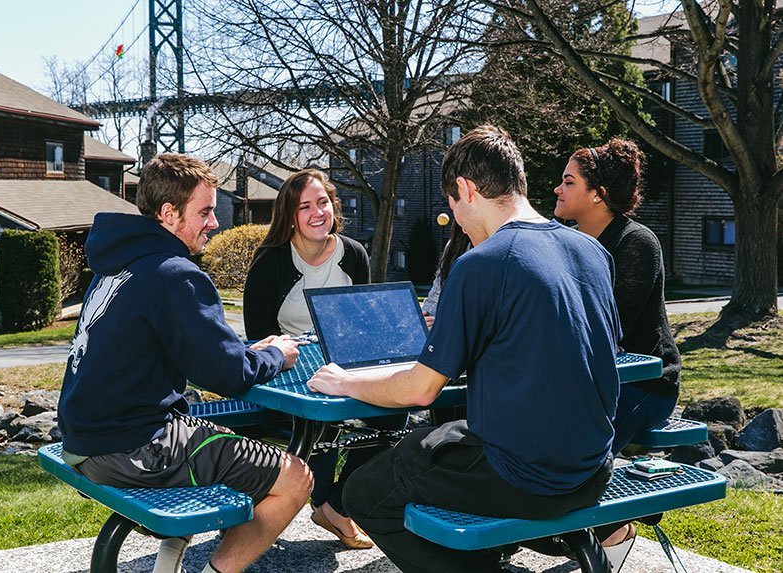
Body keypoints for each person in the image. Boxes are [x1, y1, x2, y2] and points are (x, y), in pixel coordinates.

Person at [308, 125, 623, 572]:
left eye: (453, 205)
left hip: (528, 478)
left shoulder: (481, 264)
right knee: (435, 441)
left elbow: (420, 391)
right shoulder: (590, 251)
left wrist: (346, 381)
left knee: (365, 491)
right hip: (594, 469)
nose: (455, 218)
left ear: (466, 189)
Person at [58, 154, 313, 573]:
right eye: (206, 211)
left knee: (215, 438)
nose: (215, 222)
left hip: (87, 440)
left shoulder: (117, 266)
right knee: (295, 477)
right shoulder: (176, 274)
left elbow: (193, 351)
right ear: (168, 214)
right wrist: (276, 354)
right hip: (134, 447)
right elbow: (229, 375)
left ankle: (169, 565)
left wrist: (248, 352)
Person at [243, 168, 406, 550]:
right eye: (305, 207)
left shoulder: (354, 254)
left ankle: (336, 504)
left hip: (344, 369)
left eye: (323, 202)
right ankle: (327, 503)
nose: (318, 212)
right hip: (291, 375)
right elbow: (258, 341)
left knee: (396, 413)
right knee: (320, 421)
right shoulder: (270, 264)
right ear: (290, 215)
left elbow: (363, 325)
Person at [554, 138, 682, 566]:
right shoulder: (566, 242)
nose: (557, 189)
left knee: (570, 465)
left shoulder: (636, 243)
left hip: (643, 386)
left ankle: (613, 529)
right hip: (585, 383)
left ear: (598, 194)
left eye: (568, 181)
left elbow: (607, 327)